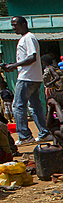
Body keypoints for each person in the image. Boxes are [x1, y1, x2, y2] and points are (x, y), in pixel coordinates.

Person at [3, 16, 52, 146]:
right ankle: (44, 133)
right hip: (33, 78)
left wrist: (15, 65)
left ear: (24, 24)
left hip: (26, 77)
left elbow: (32, 57)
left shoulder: (28, 38)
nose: (14, 28)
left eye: (16, 25)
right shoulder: (25, 38)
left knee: (18, 106)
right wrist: (14, 65)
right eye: (12, 25)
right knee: (35, 106)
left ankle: (25, 136)